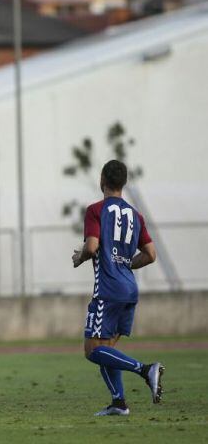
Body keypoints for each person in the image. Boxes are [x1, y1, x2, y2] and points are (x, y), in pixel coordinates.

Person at [72, 159, 163, 416]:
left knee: (93, 350)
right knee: (107, 350)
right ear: (123, 183)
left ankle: (145, 370)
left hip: (108, 290)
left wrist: (80, 258)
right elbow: (151, 254)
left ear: (102, 180)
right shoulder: (136, 215)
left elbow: (91, 247)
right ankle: (119, 403)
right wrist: (125, 265)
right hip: (129, 289)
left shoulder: (95, 210)